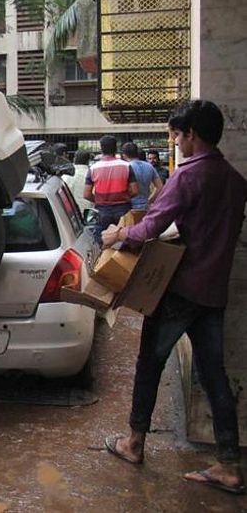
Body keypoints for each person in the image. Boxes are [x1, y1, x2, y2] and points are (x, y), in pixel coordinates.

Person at [101, 100, 247, 495]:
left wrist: (118, 236)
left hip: (181, 290)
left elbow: (150, 226)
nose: (176, 142)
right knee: (214, 374)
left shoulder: (189, 176)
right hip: (213, 293)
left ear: (192, 135)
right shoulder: (236, 180)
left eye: (178, 135)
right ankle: (230, 464)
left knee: (149, 362)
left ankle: (134, 443)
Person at [84, 135, 138, 237]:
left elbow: (86, 194)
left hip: (102, 210)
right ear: (116, 148)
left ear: (101, 148)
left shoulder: (93, 168)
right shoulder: (126, 166)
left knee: (103, 241)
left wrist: (99, 199)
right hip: (123, 209)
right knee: (124, 240)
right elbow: (135, 190)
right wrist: (123, 196)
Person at [122, 142, 164, 211]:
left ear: (124, 155)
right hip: (145, 206)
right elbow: (160, 187)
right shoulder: (149, 166)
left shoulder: (126, 167)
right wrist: (150, 200)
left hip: (130, 207)